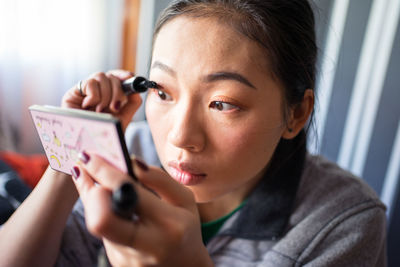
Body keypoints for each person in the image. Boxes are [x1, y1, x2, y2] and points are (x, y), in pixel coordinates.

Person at [0, 0, 387, 266]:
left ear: (296, 114)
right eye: (163, 92)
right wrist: (72, 150)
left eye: (222, 103)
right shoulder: (130, 153)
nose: (180, 137)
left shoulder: (344, 224)